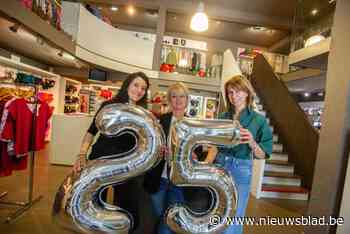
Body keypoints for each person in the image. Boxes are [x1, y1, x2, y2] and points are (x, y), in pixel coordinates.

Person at [73, 71, 150, 233]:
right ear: (127, 85)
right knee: (91, 206)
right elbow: (91, 132)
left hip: (127, 166)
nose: (139, 90)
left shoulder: (144, 113)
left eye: (143, 88)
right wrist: (81, 154)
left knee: (127, 209)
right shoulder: (109, 105)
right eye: (136, 85)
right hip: (100, 161)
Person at [144, 82, 216, 234]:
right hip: (160, 178)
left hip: (179, 181)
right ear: (169, 100)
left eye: (182, 96)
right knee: (160, 215)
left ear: (187, 99)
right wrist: (158, 150)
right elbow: (149, 146)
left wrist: (193, 156)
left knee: (167, 222)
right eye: (174, 96)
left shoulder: (194, 123)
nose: (178, 100)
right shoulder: (160, 121)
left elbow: (202, 151)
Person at [208, 75, 273, 234]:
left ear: (247, 93)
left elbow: (263, 154)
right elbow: (215, 147)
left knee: (234, 217)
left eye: (238, 92)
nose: (233, 96)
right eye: (230, 92)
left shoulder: (258, 120)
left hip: (241, 168)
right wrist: (206, 164)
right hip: (219, 165)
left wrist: (251, 142)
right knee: (216, 211)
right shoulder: (223, 117)